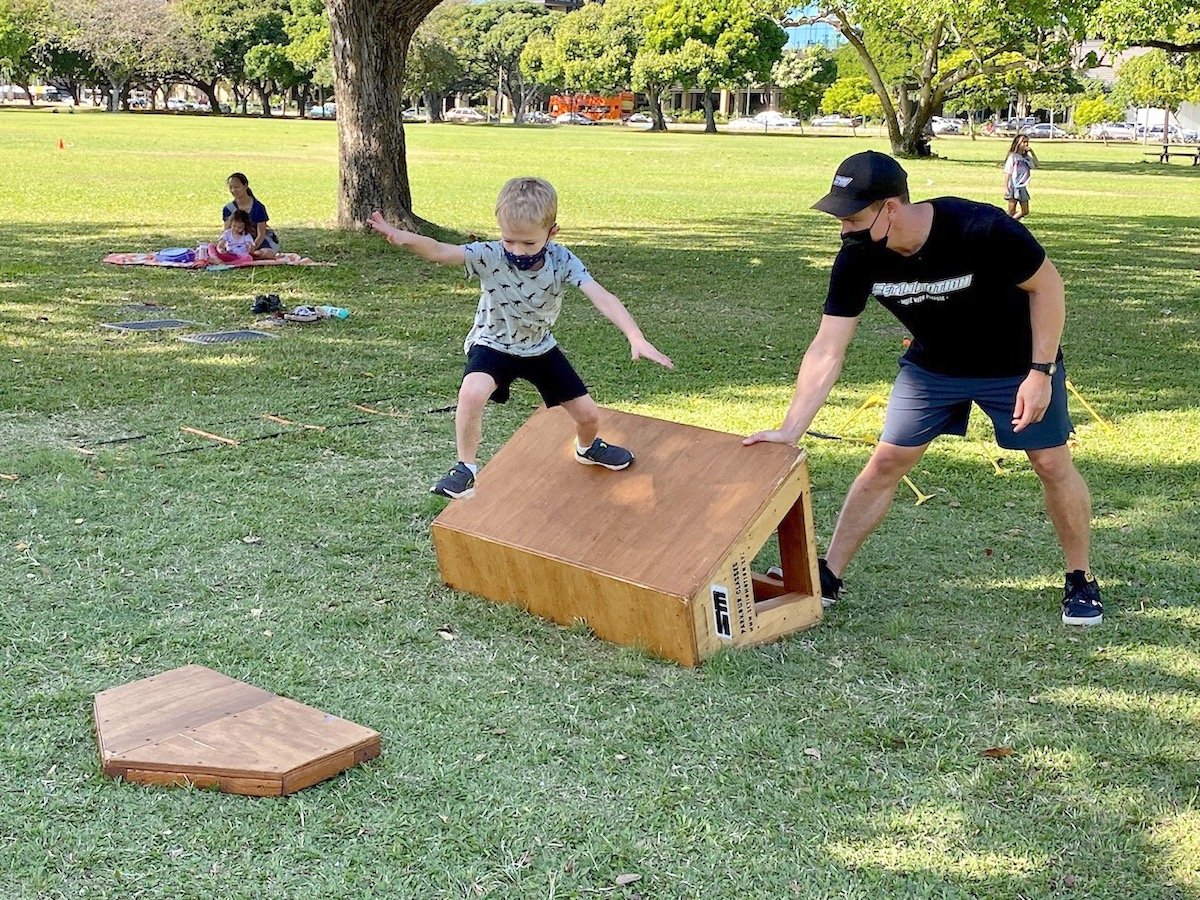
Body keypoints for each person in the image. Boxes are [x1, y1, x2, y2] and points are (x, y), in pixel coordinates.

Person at [744, 150, 1104, 627]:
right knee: (886, 461)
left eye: (853, 217)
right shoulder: (857, 257)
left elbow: (1049, 287)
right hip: (933, 367)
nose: (844, 230)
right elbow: (828, 347)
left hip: (1016, 364)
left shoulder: (981, 228)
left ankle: (1081, 578)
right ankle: (829, 573)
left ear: (890, 208)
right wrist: (792, 429)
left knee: (1051, 462)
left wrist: (1040, 372)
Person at [366, 176, 674, 499]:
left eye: (529, 243)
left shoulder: (562, 260)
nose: (516, 250)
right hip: (493, 343)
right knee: (472, 392)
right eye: (509, 240)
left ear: (551, 233)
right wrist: (404, 238)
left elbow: (601, 295)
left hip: (539, 347)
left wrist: (634, 336)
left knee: (589, 416)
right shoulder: (490, 254)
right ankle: (465, 468)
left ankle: (587, 449)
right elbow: (441, 251)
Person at [222, 172, 279, 258]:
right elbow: (227, 232)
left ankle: (251, 255)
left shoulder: (258, 207)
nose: (233, 190)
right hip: (237, 245)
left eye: (237, 187)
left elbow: (261, 234)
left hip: (258, 243)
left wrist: (251, 248)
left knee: (265, 253)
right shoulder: (228, 209)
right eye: (231, 187)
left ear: (245, 186)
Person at [1003, 134, 1038, 220]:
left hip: (1022, 186)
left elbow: (1036, 164)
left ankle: (1011, 223)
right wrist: (1006, 187)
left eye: (1027, 142)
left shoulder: (1026, 158)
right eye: (1023, 142)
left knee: (1025, 210)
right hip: (1013, 186)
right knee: (1011, 211)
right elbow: (1008, 172)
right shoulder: (1013, 157)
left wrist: (1032, 152)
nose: (1026, 144)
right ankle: (1008, 225)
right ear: (1017, 143)